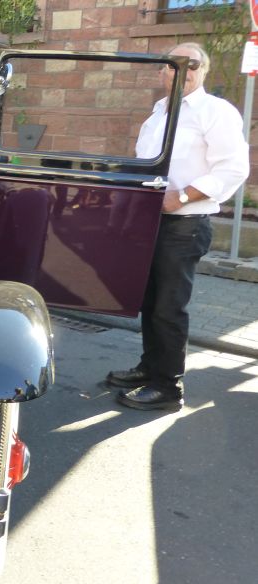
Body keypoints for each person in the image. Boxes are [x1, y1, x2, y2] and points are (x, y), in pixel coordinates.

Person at [106, 43, 250, 412]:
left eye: (192, 65)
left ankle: (168, 387)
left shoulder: (215, 112)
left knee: (169, 307)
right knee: (150, 301)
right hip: (150, 221)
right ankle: (149, 368)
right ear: (162, 72)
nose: (182, 71)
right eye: (173, 65)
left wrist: (182, 196)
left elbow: (233, 169)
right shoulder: (158, 113)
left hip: (184, 224)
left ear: (204, 70)